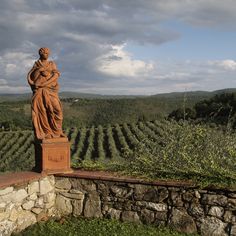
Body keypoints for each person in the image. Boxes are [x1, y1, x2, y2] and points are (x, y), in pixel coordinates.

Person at [27, 47, 65, 139]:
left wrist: (45, 82)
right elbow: (31, 77)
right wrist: (39, 71)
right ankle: (46, 132)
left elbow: (56, 76)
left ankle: (58, 131)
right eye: (45, 53)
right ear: (40, 54)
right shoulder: (36, 65)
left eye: (48, 53)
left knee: (57, 110)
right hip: (39, 92)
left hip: (51, 90)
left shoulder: (51, 64)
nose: (47, 55)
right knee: (42, 112)